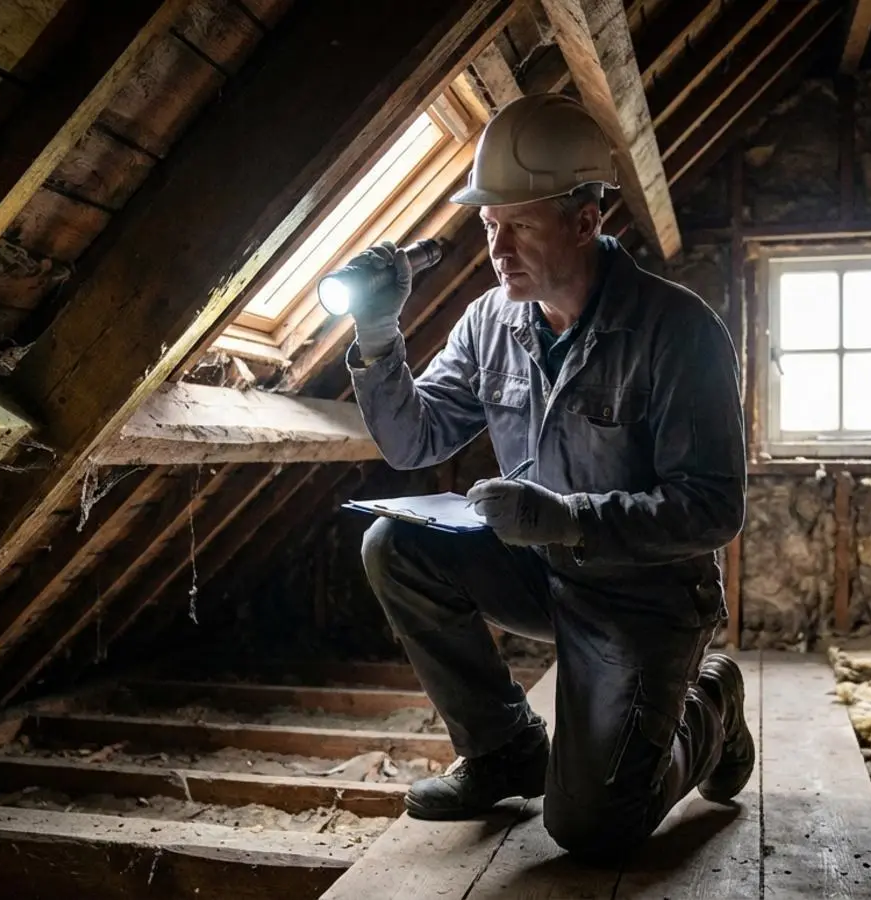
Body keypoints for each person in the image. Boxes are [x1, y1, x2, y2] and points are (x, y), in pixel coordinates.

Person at [344, 92, 751, 863]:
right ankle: (503, 751)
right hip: (541, 574)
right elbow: (413, 439)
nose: (499, 249)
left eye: (520, 224)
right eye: (489, 225)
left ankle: (714, 704)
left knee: (593, 828)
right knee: (392, 544)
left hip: (646, 597)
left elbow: (711, 507)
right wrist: (376, 333)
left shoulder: (678, 330)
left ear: (585, 219)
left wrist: (569, 518)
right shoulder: (488, 321)